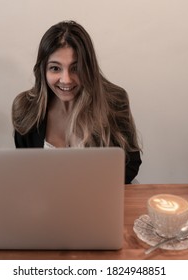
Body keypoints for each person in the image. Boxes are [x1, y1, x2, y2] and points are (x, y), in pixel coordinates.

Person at [12, 20, 142, 184]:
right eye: (55, 68)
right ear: (43, 70)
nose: (66, 80)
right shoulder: (25, 107)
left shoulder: (114, 100)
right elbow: (25, 171)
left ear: (89, 68)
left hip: (97, 197)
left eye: (76, 68)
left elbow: (130, 166)